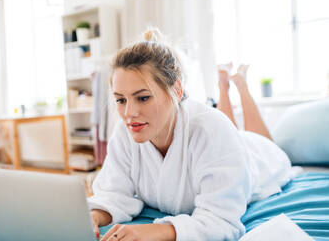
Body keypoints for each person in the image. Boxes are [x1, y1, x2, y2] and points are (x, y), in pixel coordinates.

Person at [88, 29, 296, 241]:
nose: (129, 113)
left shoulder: (212, 129)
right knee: (231, 128)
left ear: (177, 90)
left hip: (262, 156)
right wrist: (93, 217)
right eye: (121, 100)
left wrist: (155, 231)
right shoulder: (126, 132)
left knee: (246, 133)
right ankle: (227, 84)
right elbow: (114, 193)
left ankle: (239, 84)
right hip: (226, 141)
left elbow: (221, 221)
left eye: (142, 98)